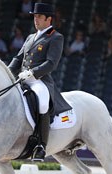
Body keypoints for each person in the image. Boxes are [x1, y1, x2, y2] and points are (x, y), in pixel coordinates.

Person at [8, 3, 72, 161]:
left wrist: (32, 73)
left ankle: (41, 145)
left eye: (39, 17)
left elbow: (51, 63)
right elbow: (18, 58)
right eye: (34, 17)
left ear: (48, 19)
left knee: (42, 101)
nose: (35, 20)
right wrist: (7, 73)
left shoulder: (56, 37)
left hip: (39, 80)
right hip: (22, 78)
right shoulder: (31, 37)